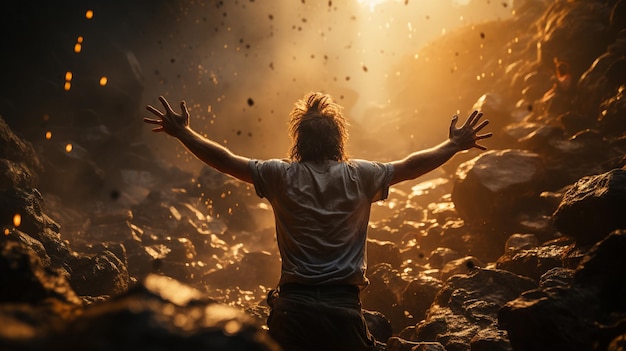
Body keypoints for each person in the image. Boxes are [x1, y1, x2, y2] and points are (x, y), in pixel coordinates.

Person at [144, 92, 491, 351]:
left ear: (298, 142)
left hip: (292, 311)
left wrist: (184, 134)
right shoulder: (362, 175)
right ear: (338, 140)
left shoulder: (279, 174)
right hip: (344, 312)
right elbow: (411, 166)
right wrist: (452, 145)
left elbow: (225, 160)